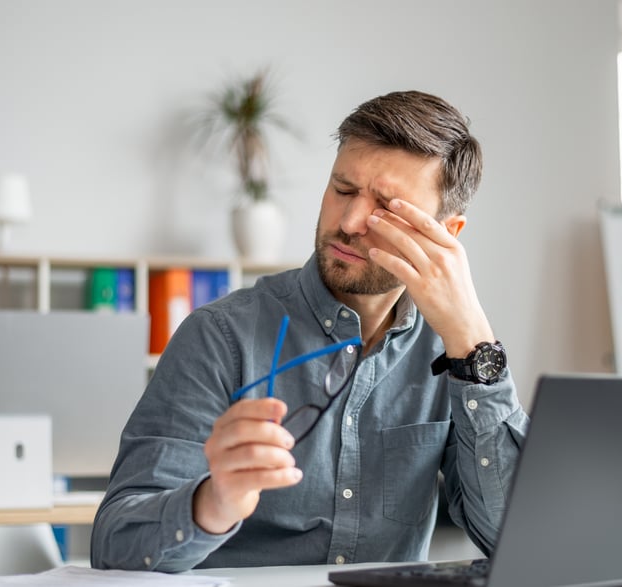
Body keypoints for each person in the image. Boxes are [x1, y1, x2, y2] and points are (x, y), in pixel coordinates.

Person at [91, 90, 529, 572]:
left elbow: (521, 543)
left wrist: (474, 344)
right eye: (342, 189)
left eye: (387, 207)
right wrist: (213, 502)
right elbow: (115, 544)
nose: (349, 222)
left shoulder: (451, 355)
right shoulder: (219, 336)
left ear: (447, 234)